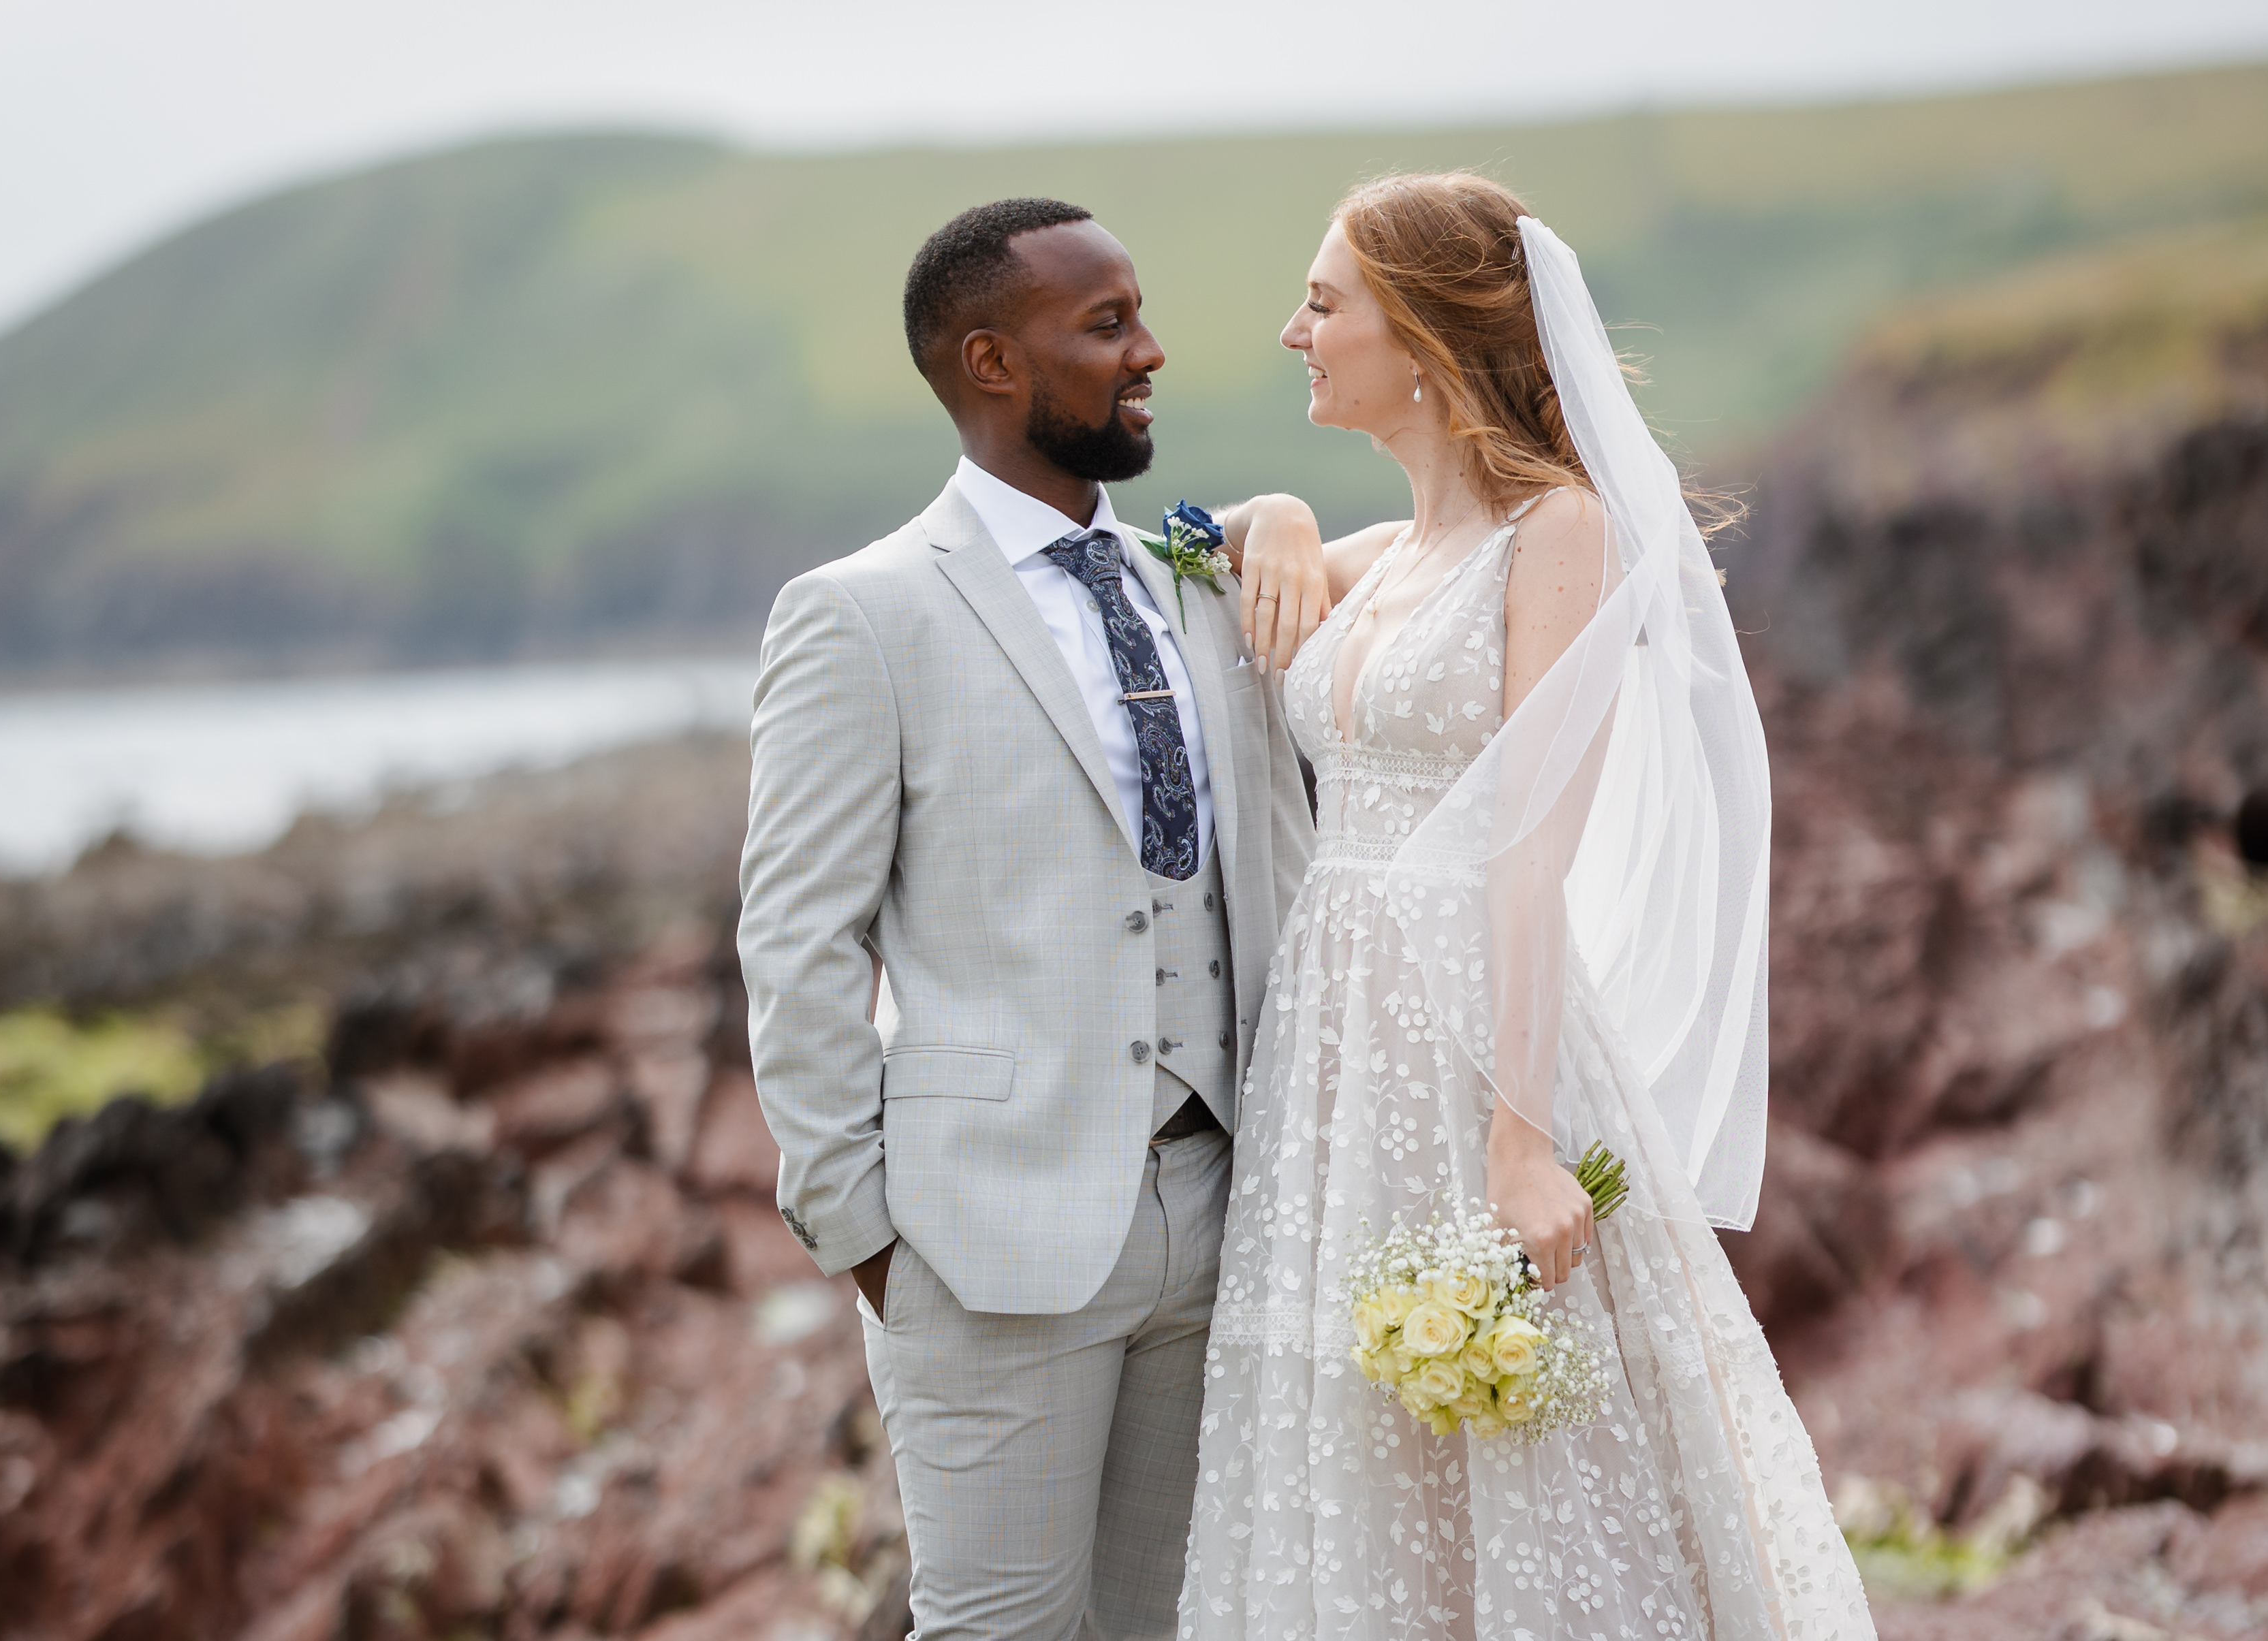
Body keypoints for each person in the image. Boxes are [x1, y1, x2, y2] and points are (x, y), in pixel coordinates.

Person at [1180, 174, 1876, 1638]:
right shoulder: (1385, 557)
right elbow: (1187, 541)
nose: (1289, 330)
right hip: (1332, 1054)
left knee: (1529, 1437)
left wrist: (1517, 1135)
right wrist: (1282, 510)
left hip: (1475, 1036)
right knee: (1361, 1439)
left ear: (1421, 333)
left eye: (1322, 303)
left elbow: (1525, 848)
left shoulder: (1551, 531)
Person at [735, 198, 1317, 1641]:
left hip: (1218, 1202)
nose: (1150, 349)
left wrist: (1287, 510)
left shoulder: (1197, 571)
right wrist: (862, 1229)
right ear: (991, 361)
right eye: (1106, 323)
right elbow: (793, 942)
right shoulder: (857, 613)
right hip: (980, 1239)